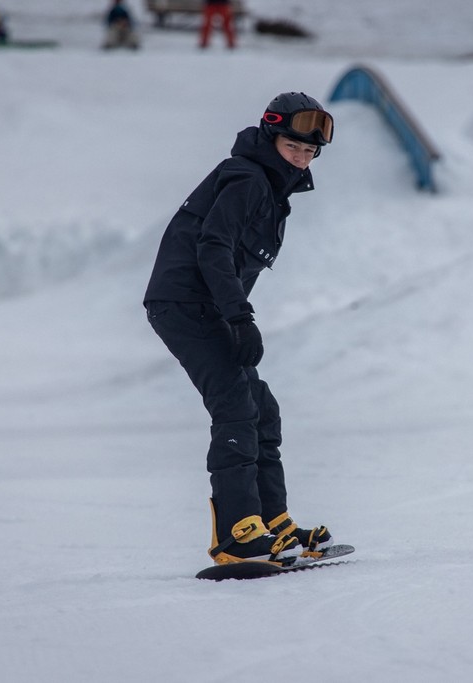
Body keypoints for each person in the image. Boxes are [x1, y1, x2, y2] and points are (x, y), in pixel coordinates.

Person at [143, 93, 336, 566]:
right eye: (293, 147)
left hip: (207, 306)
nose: (301, 159)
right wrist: (240, 318)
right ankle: (236, 535)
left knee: (261, 409)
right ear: (270, 139)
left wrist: (233, 314)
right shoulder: (247, 179)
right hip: (184, 304)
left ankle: (273, 523)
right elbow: (214, 248)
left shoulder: (269, 190)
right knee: (234, 404)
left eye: (309, 152)